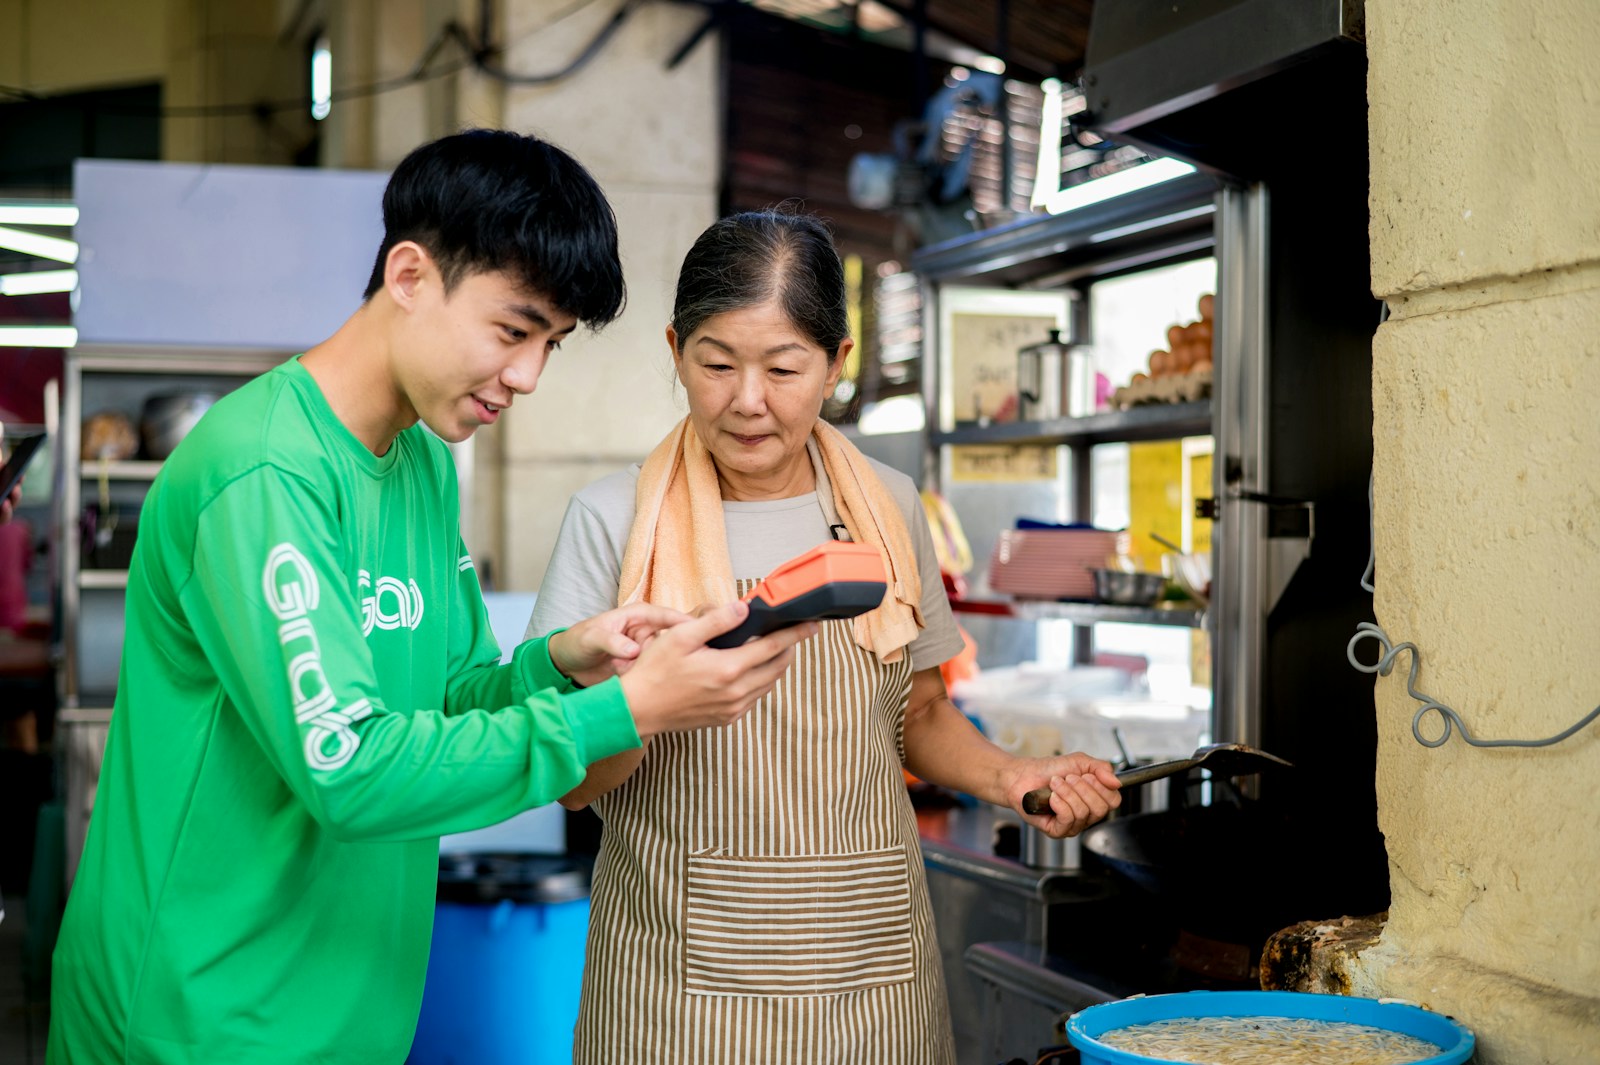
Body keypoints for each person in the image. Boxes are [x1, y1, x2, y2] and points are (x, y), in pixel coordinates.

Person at [46, 131, 812, 1065]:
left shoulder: (420, 461)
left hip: (350, 1010)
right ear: (409, 275)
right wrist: (625, 712)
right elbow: (348, 768)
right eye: (513, 331)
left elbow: (449, 698)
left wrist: (563, 661)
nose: (528, 375)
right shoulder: (264, 472)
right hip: (200, 1017)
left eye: (551, 344)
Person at [527, 209, 1123, 1065]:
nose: (748, 400)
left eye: (783, 367)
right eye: (717, 364)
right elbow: (574, 784)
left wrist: (1013, 775)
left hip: (870, 978)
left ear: (837, 362)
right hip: (678, 987)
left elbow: (920, 712)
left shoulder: (887, 506)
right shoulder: (615, 520)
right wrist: (650, 699)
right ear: (676, 350)